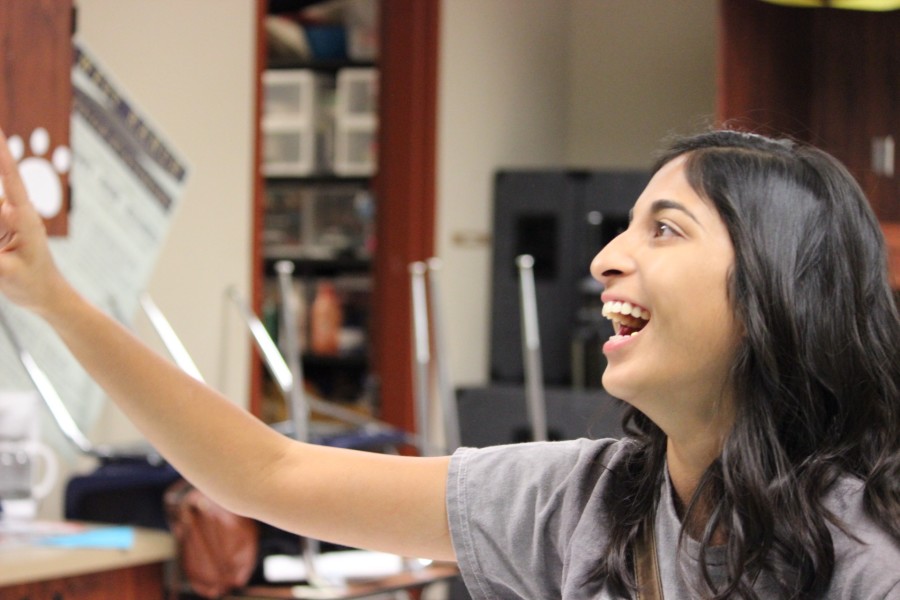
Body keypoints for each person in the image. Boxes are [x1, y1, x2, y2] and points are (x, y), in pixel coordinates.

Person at [0, 126, 898, 599]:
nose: (605, 261)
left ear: (779, 291)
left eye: (664, 228)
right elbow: (263, 471)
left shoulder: (870, 552)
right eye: (623, 226)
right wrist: (54, 301)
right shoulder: (577, 504)